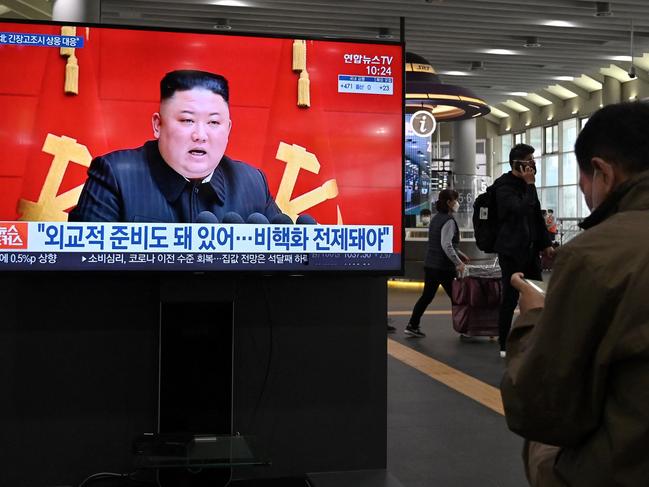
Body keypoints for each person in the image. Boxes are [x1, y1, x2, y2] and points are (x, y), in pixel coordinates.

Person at [501, 102, 649, 487]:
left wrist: (533, 318)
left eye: (583, 183)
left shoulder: (595, 255)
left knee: (544, 448)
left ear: (602, 173)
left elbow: (539, 408)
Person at [69, 70, 281, 223]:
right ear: (158, 125)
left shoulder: (252, 183)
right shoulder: (115, 176)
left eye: (214, 123)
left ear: (228, 130)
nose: (200, 135)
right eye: (187, 120)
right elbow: (82, 274)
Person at [492, 143, 553, 357]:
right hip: (510, 251)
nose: (533, 164)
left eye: (533, 160)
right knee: (509, 297)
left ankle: (537, 337)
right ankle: (503, 343)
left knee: (537, 292)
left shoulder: (528, 186)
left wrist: (545, 244)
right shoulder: (503, 186)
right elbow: (519, 209)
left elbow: (536, 216)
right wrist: (529, 185)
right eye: (529, 160)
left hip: (530, 250)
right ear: (517, 164)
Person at [405, 189, 469, 338]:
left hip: (431, 265)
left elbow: (441, 243)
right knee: (457, 298)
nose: (457, 203)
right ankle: (465, 328)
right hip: (443, 267)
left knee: (426, 296)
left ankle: (412, 325)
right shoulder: (448, 220)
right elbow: (446, 245)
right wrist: (458, 262)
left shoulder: (436, 218)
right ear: (448, 202)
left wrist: (460, 254)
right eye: (455, 200)